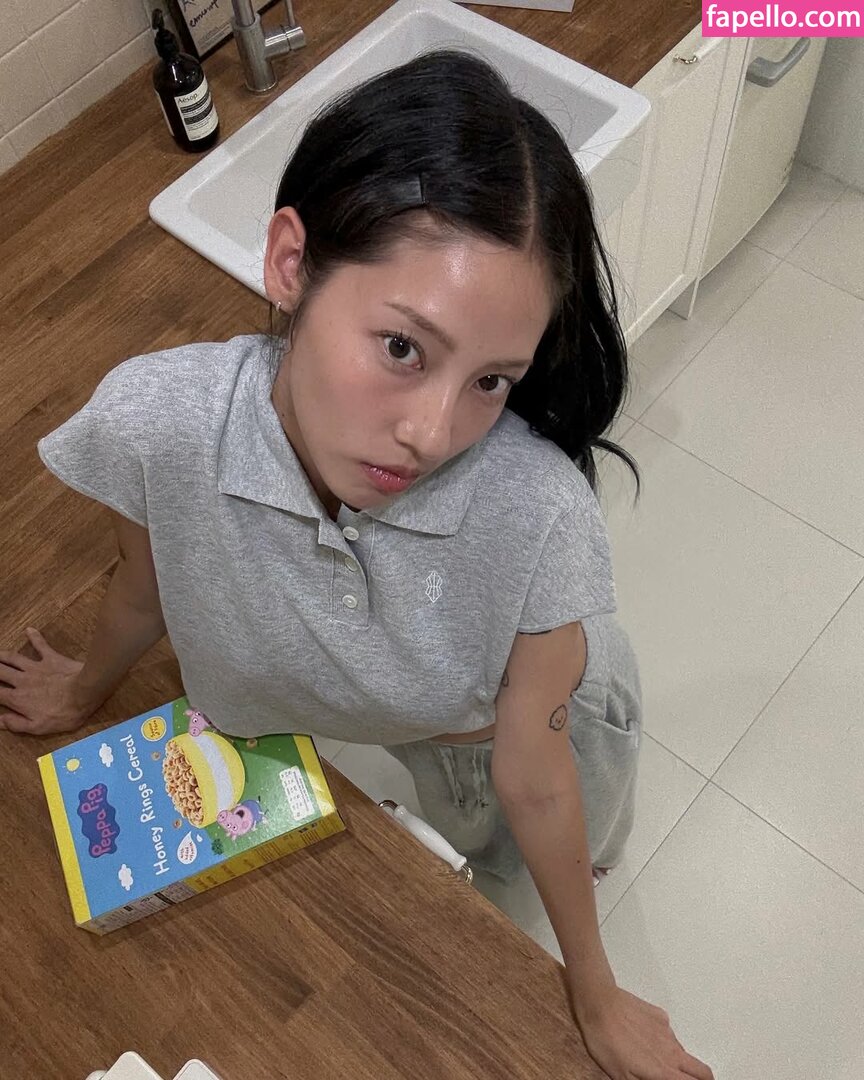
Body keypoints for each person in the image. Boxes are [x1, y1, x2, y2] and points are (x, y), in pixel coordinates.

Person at [0, 50, 713, 1080]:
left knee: (513, 894)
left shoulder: (538, 513)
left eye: (492, 380)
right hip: (390, 726)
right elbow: (149, 583)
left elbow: (537, 775)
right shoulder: (159, 424)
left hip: (510, 741)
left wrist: (593, 990)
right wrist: (85, 684)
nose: (432, 433)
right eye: (404, 348)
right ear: (290, 261)